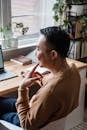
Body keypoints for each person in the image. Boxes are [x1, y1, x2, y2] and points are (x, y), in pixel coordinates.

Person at [0, 26, 81, 130]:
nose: (35, 53)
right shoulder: (72, 70)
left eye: (38, 49)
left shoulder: (51, 91)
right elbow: (54, 82)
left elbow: (26, 124)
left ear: (53, 54)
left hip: (27, 120)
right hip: (46, 114)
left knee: (3, 112)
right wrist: (38, 79)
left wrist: (23, 89)